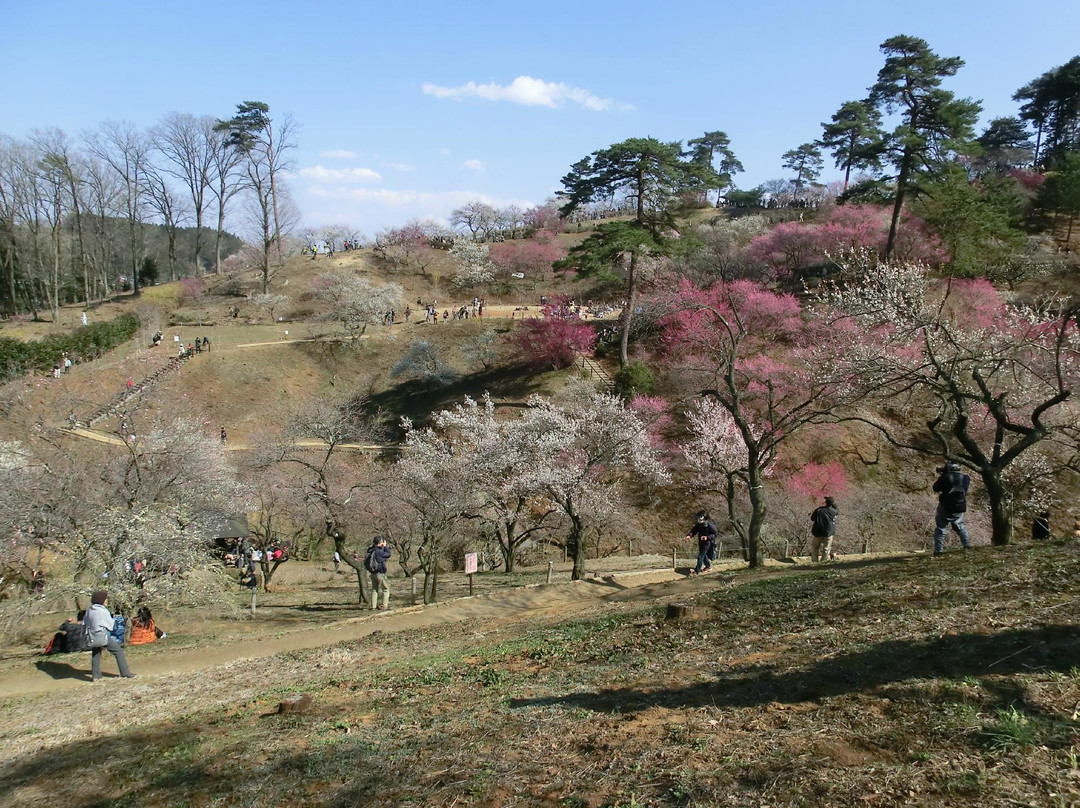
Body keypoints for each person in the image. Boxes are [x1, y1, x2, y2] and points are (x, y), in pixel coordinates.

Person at [84, 589, 135, 680]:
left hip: (92, 636)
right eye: (105, 599)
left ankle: (96, 676)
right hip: (103, 636)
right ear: (101, 600)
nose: (106, 600)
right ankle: (125, 673)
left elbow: (86, 623)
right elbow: (110, 625)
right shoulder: (102, 611)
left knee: (96, 654)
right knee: (118, 651)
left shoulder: (89, 610)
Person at [932, 461, 972, 557]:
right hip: (960, 506)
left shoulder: (945, 477)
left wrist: (942, 476)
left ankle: (938, 551)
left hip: (945, 506)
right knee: (960, 526)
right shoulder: (966, 478)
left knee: (941, 528)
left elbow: (935, 488)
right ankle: (967, 546)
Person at [685, 509, 718, 576]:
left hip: (707, 543)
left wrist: (707, 537)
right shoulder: (699, 525)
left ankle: (696, 571)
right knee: (704, 555)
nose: (699, 520)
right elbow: (694, 530)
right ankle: (708, 566)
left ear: (705, 519)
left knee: (700, 556)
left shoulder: (710, 525)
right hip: (701, 542)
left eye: (700, 518)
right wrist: (689, 535)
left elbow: (715, 534)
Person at [365, 536, 392, 610]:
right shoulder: (379, 551)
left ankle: (373, 606)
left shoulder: (370, 550)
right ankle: (384, 605)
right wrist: (385, 546)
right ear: (379, 542)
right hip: (380, 573)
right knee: (386, 589)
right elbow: (388, 554)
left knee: (374, 589)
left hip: (372, 573)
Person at [810, 497, 839, 563]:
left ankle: (814, 561)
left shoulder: (819, 510)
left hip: (818, 531)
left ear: (825, 502)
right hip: (828, 532)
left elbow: (812, 518)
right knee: (826, 548)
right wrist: (834, 505)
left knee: (815, 547)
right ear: (832, 504)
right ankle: (824, 561)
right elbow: (837, 510)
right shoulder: (833, 511)